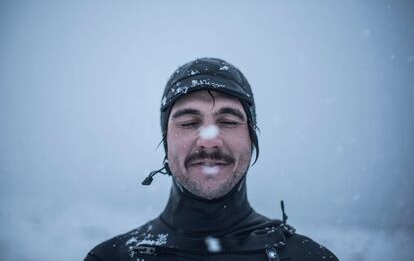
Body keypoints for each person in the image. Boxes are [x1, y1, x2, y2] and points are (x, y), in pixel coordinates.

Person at [84, 58, 339, 261]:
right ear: (166, 141)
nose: (208, 140)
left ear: (251, 138)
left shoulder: (310, 257)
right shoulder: (110, 257)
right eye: (188, 123)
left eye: (228, 122)